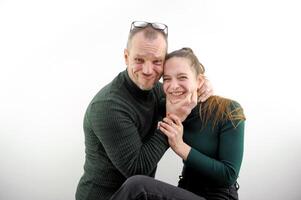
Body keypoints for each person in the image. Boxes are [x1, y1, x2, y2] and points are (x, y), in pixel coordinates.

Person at [75, 22, 213, 200]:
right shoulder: (108, 106)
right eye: (139, 60)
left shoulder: (155, 90)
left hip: (137, 194)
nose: (148, 71)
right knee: (140, 184)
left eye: (157, 61)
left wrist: (199, 86)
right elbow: (137, 169)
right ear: (126, 57)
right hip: (109, 197)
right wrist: (172, 119)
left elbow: (183, 97)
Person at [109, 47, 245, 200]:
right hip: (185, 190)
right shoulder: (164, 108)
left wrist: (180, 147)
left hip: (218, 197)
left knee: (138, 187)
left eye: (182, 77)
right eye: (167, 79)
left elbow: (229, 175)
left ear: (199, 81)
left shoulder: (228, 110)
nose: (173, 86)